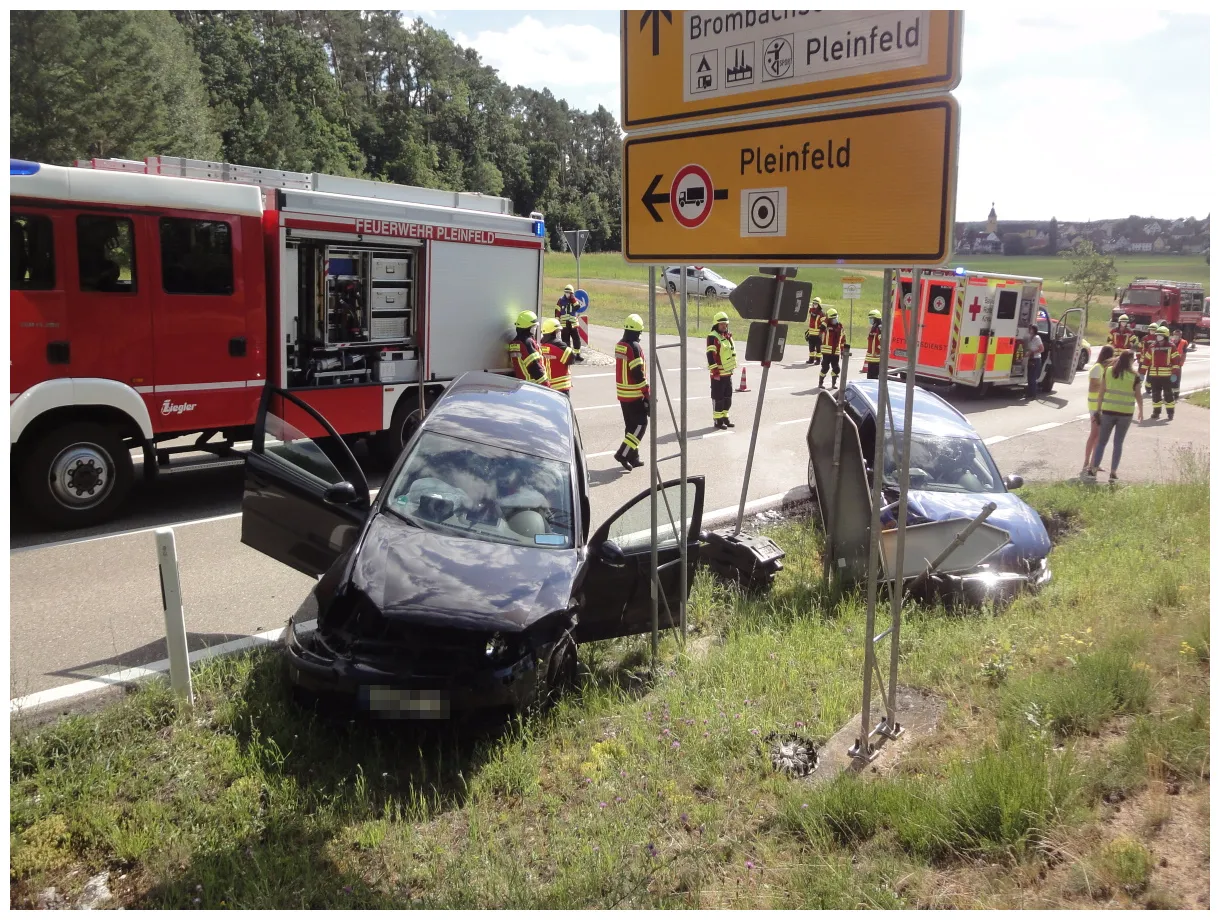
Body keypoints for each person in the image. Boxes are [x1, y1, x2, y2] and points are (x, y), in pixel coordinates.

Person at [1086, 348, 1144, 483]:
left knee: (1102, 442)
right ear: (1130, 361)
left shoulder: (1109, 371)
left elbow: (1101, 392)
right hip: (1126, 413)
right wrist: (1141, 410)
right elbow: (1138, 395)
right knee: (1118, 443)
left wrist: (1098, 410)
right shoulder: (1134, 375)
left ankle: (1093, 469)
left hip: (1108, 411)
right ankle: (1113, 473)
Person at [614, 314, 649, 471]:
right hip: (634, 394)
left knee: (631, 427)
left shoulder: (620, 345)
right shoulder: (634, 347)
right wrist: (646, 392)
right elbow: (637, 372)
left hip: (622, 394)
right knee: (641, 425)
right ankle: (623, 453)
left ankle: (634, 458)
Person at [1081, 344, 1116, 478]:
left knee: (1099, 435)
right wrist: (1107, 388)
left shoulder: (1104, 368)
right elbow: (1093, 387)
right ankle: (1087, 461)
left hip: (1102, 405)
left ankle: (1094, 462)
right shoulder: (1097, 368)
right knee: (1095, 434)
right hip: (1096, 405)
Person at [706, 310, 737, 429]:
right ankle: (718, 421)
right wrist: (715, 372)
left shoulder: (727, 336)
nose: (724, 326)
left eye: (726, 324)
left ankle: (725, 418)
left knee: (727, 397)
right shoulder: (713, 337)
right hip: (718, 375)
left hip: (727, 374)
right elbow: (710, 355)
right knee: (718, 398)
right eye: (722, 324)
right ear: (716, 325)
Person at [1144, 325, 1181, 420]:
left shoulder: (1171, 347)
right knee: (1156, 395)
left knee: (1168, 394)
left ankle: (1170, 413)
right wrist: (1141, 372)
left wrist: (1174, 373)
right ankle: (1156, 412)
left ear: (1165, 336)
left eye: (1160, 335)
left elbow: (1176, 361)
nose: (1158, 337)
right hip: (1154, 376)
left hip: (1166, 376)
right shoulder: (1152, 346)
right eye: (1157, 335)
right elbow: (1147, 360)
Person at [507, 311, 548, 386]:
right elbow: (535, 367)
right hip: (534, 386)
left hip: (522, 385)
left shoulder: (514, 343)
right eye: (534, 326)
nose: (535, 329)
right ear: (529, 328)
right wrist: (547, 386)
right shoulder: (527, 342)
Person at [539, 317, 574, 396]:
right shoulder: (561, 348)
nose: (560, 332)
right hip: (561, 388)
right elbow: (572, 359)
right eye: (558, 331)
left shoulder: (540, 346)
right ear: (554, 332)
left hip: (545, 386)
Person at [818, 308, 848, 389]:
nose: (835, 319)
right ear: (829, 319)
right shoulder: (826, 325)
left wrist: (842, 350)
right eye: (833, 318)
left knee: (836, 368)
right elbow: (821, 329)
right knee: (825, 367)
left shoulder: (840, 326)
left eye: (836, 317)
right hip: (827, 351)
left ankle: (833, 384)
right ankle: (820, 383)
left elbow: (843, 339)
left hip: (836, 352)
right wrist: (827, 320)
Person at [555, 284, 584, 362]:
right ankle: (568, 355)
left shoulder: (574, 300)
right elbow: (557, 311)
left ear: (572, 293)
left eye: (569, 292)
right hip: (564, 324)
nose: (567, 294)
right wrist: (557, 321)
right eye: (566, 292)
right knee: (566, 340)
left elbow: (577, 307)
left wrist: (572, 299)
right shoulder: (561, 300)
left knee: (576, 340)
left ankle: (577, 355)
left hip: (573, 324)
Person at [1023, 322, 1045, 400]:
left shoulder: (1037, 338)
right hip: (1031, 359)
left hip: (1036, 359)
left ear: (1034, 330)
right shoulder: (1030, 337)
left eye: (1031, 328)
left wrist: (1031, 352)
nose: (1029, 330)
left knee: (1033, 377)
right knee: (1029, 377)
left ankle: (1033, 394)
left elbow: (1042, 349)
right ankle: (1029, 393)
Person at [1170, 327, 1188, 408]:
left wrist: (1181, 363)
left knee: (1176, 380)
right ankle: (1169, 394)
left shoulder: (1184, 342)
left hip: (1178, 365)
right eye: (1175, 335)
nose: (1176, 336)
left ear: (1180, 335)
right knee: (1169, 379)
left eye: (1177, 335)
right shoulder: (1171, 341)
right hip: (1170, 364)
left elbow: (1184, 354)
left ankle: (1176, 395)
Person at [862, 309, 883, 379]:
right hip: (871, 359)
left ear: (876, 319)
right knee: (870, 378)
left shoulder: (879, 328)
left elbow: (883, 341)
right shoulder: (874, 327)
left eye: (871, 318)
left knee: (874, 378)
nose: (870, 320)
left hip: (876, 359)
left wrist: (879, 350)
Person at [804, 297, 825, 364]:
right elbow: (809, 310)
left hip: (818, 334)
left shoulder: (821, 313)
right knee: (811, 348)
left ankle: (818, 360)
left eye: (816, 304)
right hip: (811, 334)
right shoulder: (812, 311)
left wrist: (821, 333)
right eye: (814, 303)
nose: (814, 305)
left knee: (818, 349)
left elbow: (824, 324)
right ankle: (811, 359)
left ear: (819, 304)